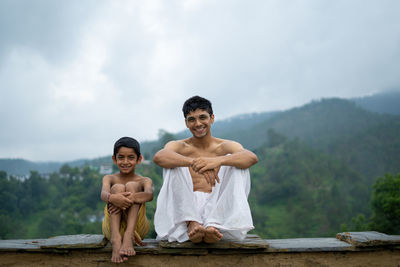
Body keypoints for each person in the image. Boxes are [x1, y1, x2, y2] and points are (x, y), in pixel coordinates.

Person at [153, 96, 258, 243]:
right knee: (172, 162)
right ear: (186, 123)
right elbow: (159, 157)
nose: (198, 124)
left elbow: (250, 157)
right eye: (191, 119)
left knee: (237, 162)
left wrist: (216, 161)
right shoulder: (180, 146)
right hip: (183, 217)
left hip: (220, 215)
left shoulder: (224, 146)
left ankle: (213, 225)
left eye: (203, 117)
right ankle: (192, 222)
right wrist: (196, 163)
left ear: (212, 118)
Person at [100, 137, 153, 263]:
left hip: (137, 230)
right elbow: (103, 194)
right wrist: (114, 198)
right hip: (112, 229)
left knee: (132, 186)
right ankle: (116, 239)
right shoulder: (109, 178)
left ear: (139, 159)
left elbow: (149, 195)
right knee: (117, 188)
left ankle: (128, 236)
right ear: (114, 159)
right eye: (121, 157)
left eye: (131, 157)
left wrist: (131, 197)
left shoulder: (144, 180)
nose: (125, 161)